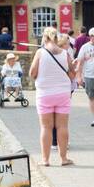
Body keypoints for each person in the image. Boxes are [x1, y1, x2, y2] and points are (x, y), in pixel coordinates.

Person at [29, 26, 76, 166]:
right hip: (63, 93)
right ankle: (63, 159)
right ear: (56, 38)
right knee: (62, 127)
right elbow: (72, 74)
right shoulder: (64, 53)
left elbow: (32, 73)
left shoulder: (40, 52)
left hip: (44, 94)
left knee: (45, 127)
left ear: (45, 37)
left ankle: (45, 160)